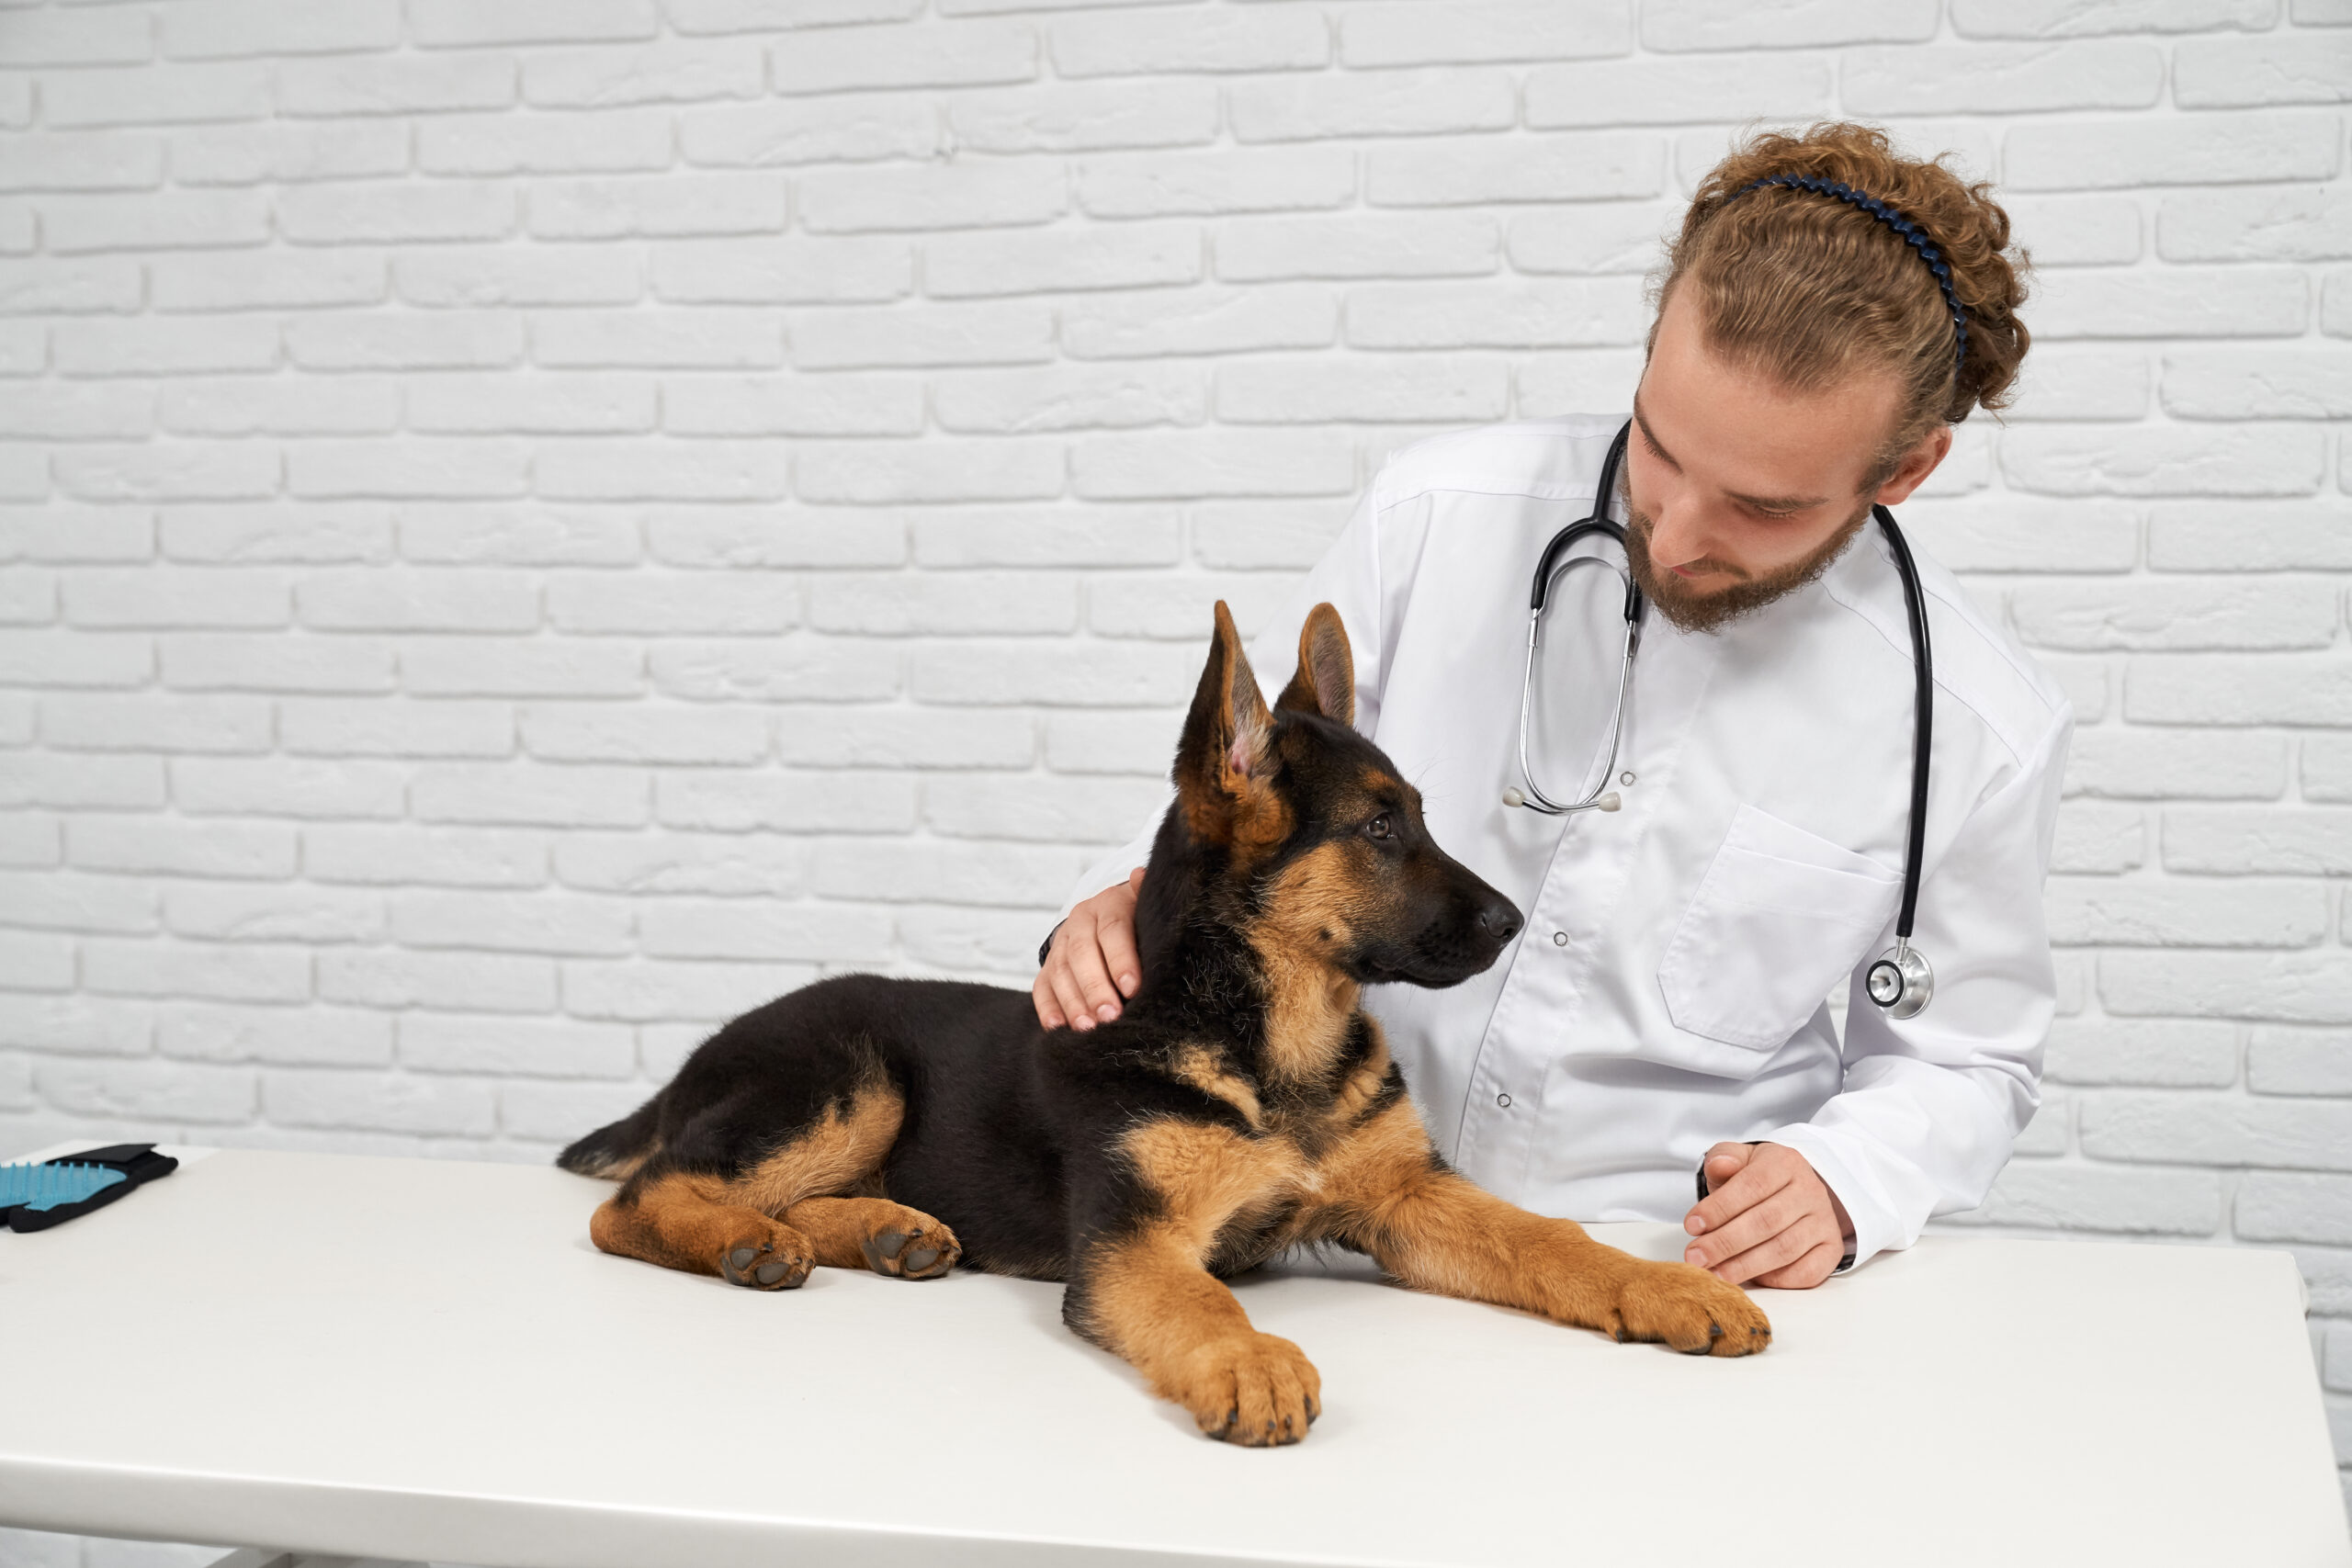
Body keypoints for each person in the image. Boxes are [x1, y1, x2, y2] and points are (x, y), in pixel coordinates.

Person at [1034, 123, 2067, 1291]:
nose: (1672, 536)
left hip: (1661, 1270)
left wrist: (1842, 1182)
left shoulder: (1976, 729)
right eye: (1660, 449)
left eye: (1762, 507)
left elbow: (1970, 1060)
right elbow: (1247, 800)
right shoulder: (1432, 516)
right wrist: (1109, 913)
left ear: (1903, 472)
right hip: (1318, 1240)